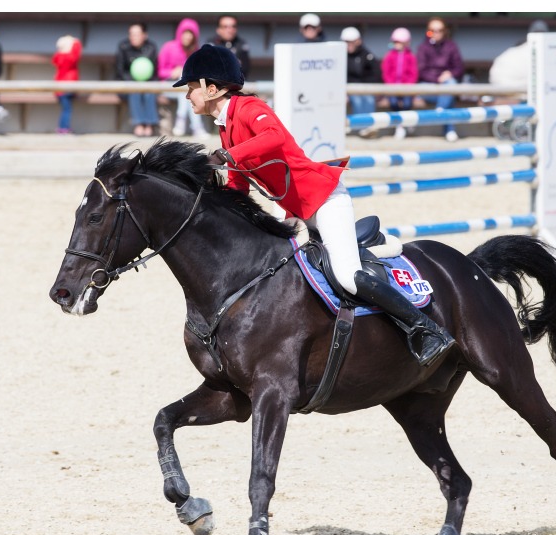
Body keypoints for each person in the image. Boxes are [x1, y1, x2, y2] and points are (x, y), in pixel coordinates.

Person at [173, 44, 455, 368]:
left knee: (348, 276)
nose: (188, 96)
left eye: (191, 88)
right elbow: (239, 182)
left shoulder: (249, 107)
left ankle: (426, 329)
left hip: (324, 199)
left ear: (212, 88)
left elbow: (274, 137)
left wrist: (228, 156)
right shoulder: (226, 126)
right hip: (299, 211)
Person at [416, 16, 464, 142]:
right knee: (449, 94)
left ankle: (439, 112)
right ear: (427, 31)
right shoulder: (423, 47)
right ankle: (449, 129)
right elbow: (421, 71)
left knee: (450, 86)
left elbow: (459, 68)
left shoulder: (451, 46)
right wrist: (438, 79)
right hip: (427, 86)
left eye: (439, 30)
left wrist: (449, 73)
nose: (435, 33)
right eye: (432, 30)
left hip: (446, 86)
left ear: (445, 31)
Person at [158, 18, 208, 139]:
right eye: (185, 33)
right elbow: (160, 72)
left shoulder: (197, 51)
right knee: (185, 84)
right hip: (168, 87)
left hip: (187, 89)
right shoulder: (168, 47)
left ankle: (181, 120)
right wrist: (172, 72)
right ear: (180, 33)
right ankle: (197, 127)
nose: (187, 37)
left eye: (191, 34)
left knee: (187, 88)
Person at [115, 22, 159, 137]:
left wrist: (144, 82)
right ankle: (139, 123)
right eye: (131, 34)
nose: (133, 37)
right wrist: (134, 81)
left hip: (147, 83)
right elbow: (120, 70)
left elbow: (154, 71)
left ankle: (149, 124)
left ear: (144, 35)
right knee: (135, 90)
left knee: (149, 91)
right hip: (127, 84)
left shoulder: (151, 47)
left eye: (137, 34)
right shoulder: (123, 46)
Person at [381, 27, 418, 139]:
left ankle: (407, 122)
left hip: (407, 88)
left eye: (399, 42)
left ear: (406, 43)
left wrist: (408, 85)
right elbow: (386, 72)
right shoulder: (389, 56)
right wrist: (391, 84)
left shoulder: (410, 57)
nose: (396, 44)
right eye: (395, 42)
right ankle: (400, 125)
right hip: (392, 88)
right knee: (393, 103)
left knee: (407, 103)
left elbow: (413, 73)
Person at [341, 26, 380, 130]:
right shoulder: (340, 56)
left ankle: (369, 127)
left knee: (369, 99)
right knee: (357, 100)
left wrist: (365, 85)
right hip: (349, 89)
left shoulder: (366, 55)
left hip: (365, 88)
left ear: (358, 41)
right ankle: (360, 127)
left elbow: (376, 73)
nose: (349, 45)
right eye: (346, 42)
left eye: (351, 42)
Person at [52, 35, 81, 134]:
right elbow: (76, 55)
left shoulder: (58, 56)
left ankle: (63, 127)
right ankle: (63, 128)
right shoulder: (68, 58)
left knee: (65, 108)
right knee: (67, 109)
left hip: (60, 88)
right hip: (67, 87)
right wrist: (76, 42)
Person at [206, 14, 250, 79]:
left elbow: (244, 70)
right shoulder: (211, 44)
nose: (229, 30)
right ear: (218, 30)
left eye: (233, 26)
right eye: (225, 27)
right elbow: (208, 68)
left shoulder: (242, 44)